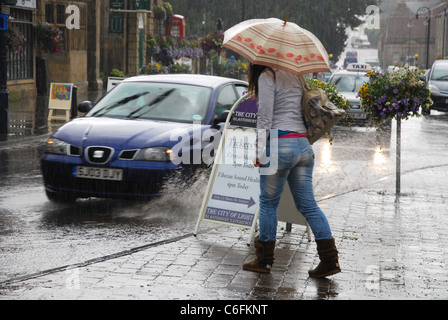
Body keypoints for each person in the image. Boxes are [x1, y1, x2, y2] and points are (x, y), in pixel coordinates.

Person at [242, 64, 341, 278]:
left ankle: (264, 260)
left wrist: (259, 151)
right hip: (302, 147)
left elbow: (265, 117)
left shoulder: (268, 75)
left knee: (268, 203)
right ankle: (329, 260)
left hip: (279, 146)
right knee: (308, 205)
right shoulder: (296, 75)